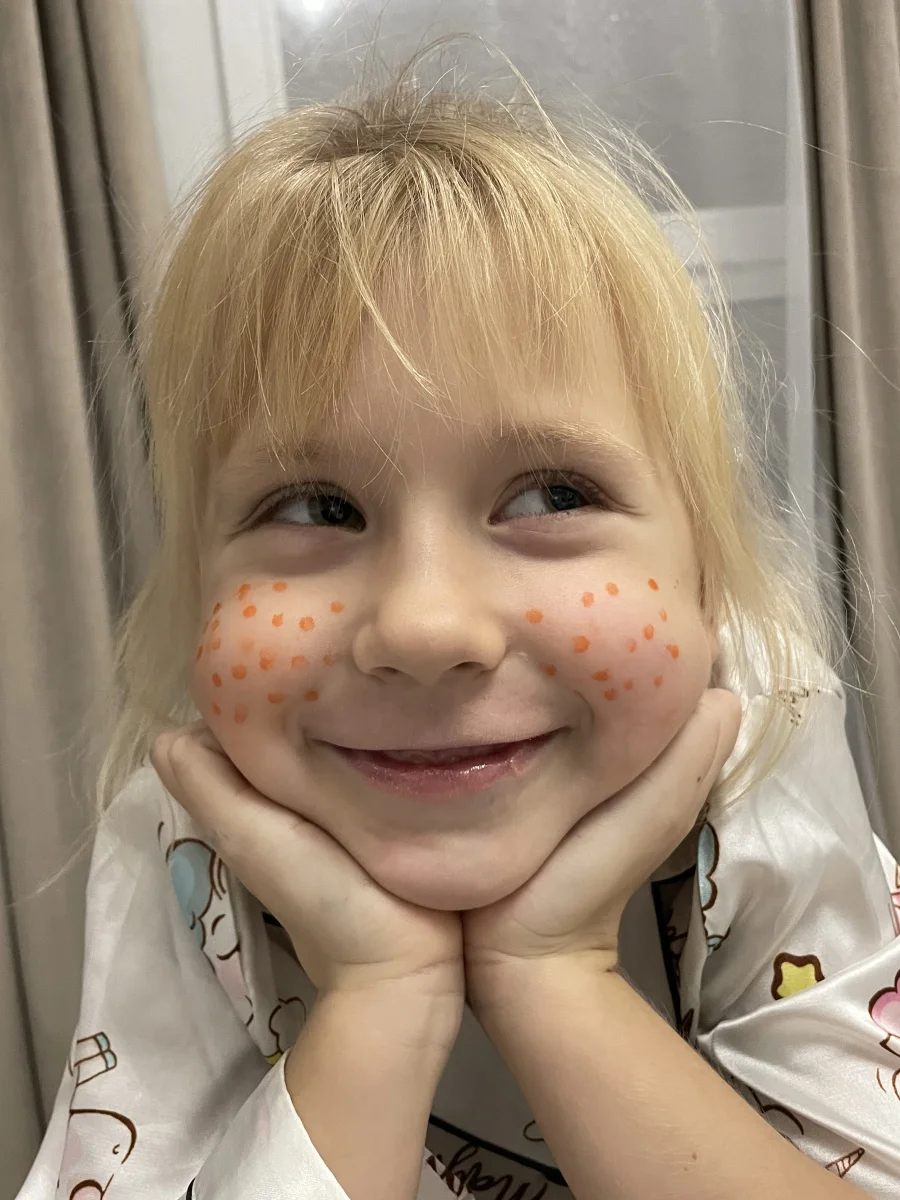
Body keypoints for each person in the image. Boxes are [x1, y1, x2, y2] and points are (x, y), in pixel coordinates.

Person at [17, 42, 898, 1200]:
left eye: (551, 495)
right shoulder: (188, 831)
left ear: (703, 586)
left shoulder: (756, 736)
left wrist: (555, 975)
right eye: (315, 508)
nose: (426, 627)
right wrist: (382, 998)